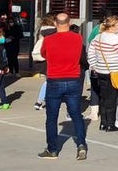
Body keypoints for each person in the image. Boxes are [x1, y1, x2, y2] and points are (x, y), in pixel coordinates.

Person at [37, 13, 88, 160]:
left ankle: (52, 149)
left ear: (55, 23)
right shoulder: (77, 38)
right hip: (73, 79)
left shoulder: (49, 39)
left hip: (54, 79)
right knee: (76, 114)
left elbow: (43, 54)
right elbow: (79, 55)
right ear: (69, 22)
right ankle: (81, 145)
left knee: (52, 117)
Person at [31, 14, 57, 111]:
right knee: (49, 81)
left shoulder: (41, 30)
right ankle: (39, 101)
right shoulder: (53, 31)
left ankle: (42, 100)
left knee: (48, 80)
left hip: (43, 58)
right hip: (50, 58)